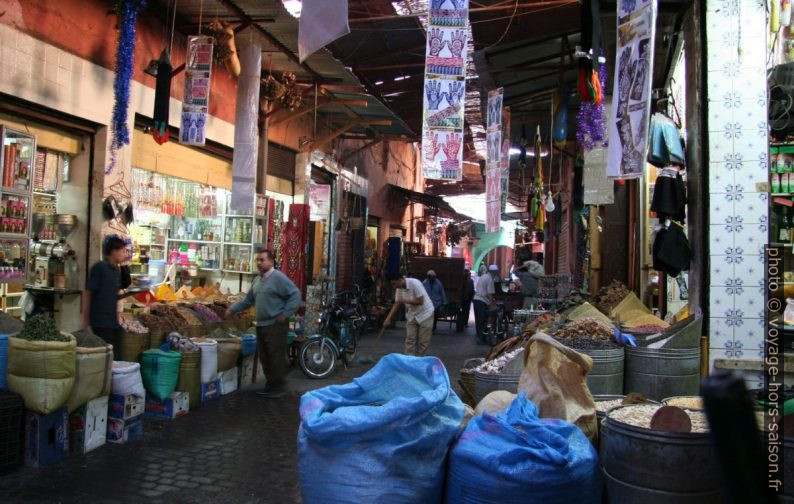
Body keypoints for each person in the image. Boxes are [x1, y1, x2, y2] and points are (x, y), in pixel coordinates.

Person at [227, 249, 301, 398]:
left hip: (275, 324)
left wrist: (285, 313)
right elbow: (248, 301)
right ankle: (271, 385)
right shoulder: (257, 280)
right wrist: (232, 309)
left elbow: (295, 294)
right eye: (257, 260)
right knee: (265, 357)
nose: (259, 263)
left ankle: (279, 387)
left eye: (262, 260)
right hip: (261, 324)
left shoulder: (279, 278)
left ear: (271, 261)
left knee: (275, 356)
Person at [82, 236, 134, 358]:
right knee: (103, 355)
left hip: (112, 321)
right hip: (99, 321)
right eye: (122, 250)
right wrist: (85, 320)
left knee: (112, 355)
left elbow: (112, 296)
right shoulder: (99, 268)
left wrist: (132, 293)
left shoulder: (116, 270)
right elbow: (87, 293)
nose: (124, 254)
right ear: (114, 251)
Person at [383, 272, 435, 356]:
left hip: (426, 314)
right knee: (410, 340)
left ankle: (420, 363)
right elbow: (397, 303)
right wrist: (388, 319)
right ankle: (409, 362)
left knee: (423, 342)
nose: (393, 286)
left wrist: (404, 301)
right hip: (412, 314)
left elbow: (420, 301)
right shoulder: (399, 288)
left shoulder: (415, 283)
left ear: (400, 280)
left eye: (394, 283)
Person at [473, 266, 495, 345]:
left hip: (476, 299)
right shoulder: (490, 279)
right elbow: (490, 294)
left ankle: (479, 336)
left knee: (479, 320)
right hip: (482, 301)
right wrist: (492, 305)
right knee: (483, 321)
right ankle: (481, 338)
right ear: (494, 272)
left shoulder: (483, 276)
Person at [456, 267, 475, 333]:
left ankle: (464, 322)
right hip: (466, 298)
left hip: (466, 298)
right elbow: (472, 290)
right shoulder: (469, 280)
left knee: (465, 310)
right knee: (466, 310)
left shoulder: (466, 280)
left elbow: (471, 290)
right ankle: (464, 322)